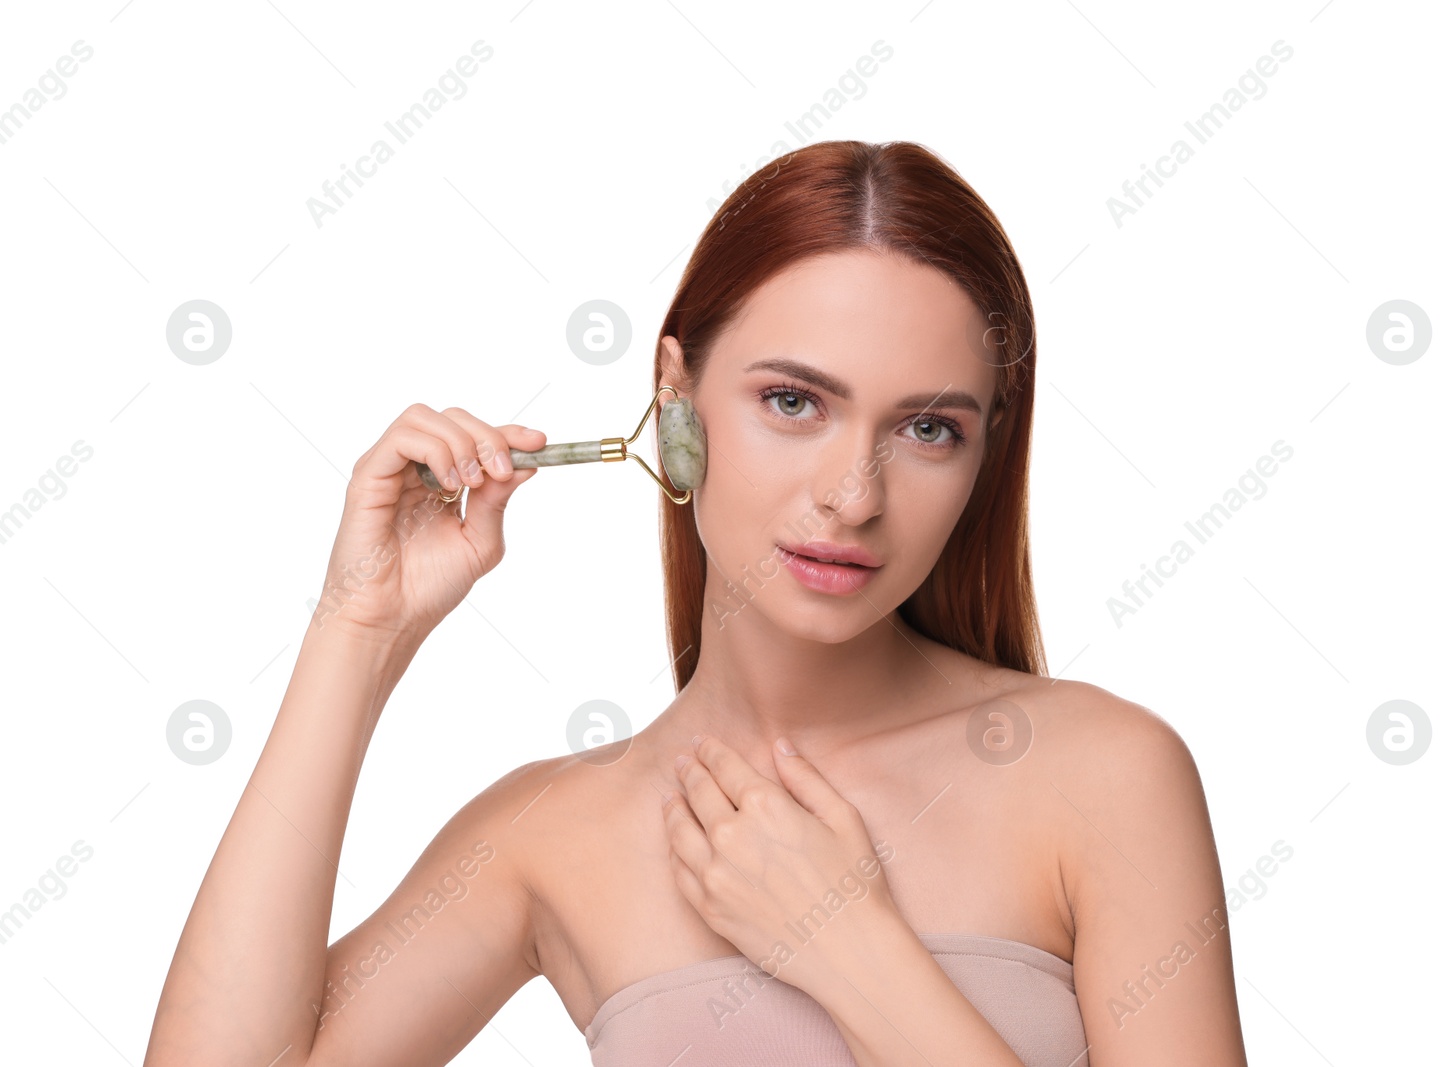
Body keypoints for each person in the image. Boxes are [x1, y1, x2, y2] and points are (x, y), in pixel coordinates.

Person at [145, 140, 1248, 1066]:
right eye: (792, 400)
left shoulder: (1101, 774)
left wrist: (852, 948)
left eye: (927, 428)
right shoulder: (552, 834)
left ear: (982, 448)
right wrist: (358, 627)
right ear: (674, 396)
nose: (852, 495)